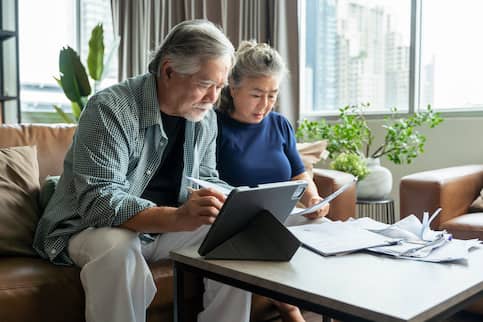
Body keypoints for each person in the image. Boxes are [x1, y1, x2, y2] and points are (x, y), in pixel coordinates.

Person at [33, 20, 252, 322]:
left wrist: (235, 204)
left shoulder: (205, 117)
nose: (213, 98)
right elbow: (99, 202)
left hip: (161, 229)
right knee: (118, 247)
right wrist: (176, 217)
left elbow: (206, 177)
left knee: (234, 237)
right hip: (87, 228)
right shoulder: (111, 108)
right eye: (205, 84)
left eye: (220, 86)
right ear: (168, 70)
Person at [216, 40, 330, 322]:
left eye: (272, 95)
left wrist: (312, 198)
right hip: (238, 223)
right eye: (257, 95)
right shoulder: (212, 125)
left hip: (282, 215)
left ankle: (316, 309)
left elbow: (298, 173)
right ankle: (290, 309)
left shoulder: (280, 124)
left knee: (324, 229)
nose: (265, 105)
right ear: (234, 87)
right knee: (266, 241)